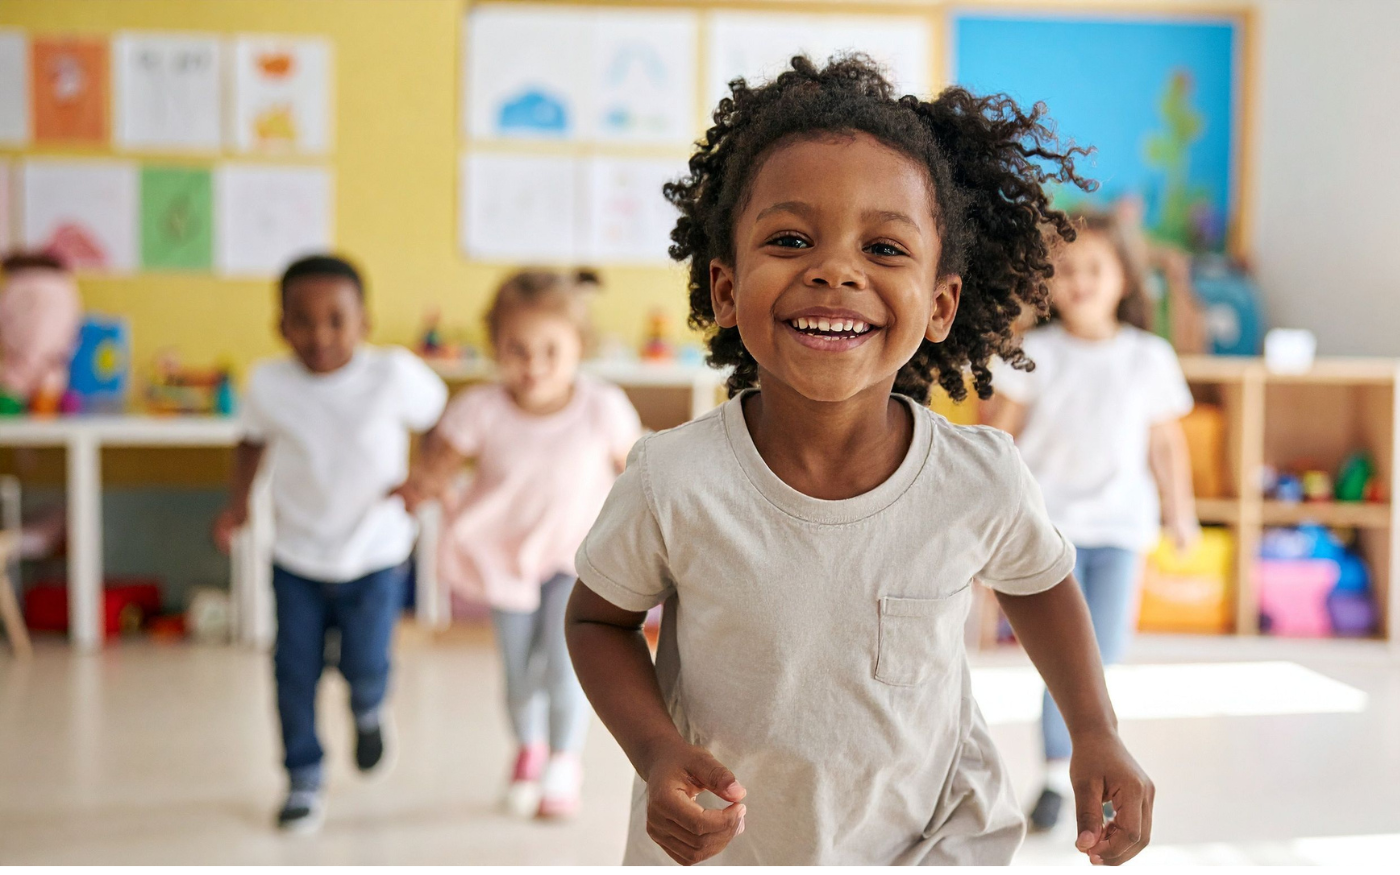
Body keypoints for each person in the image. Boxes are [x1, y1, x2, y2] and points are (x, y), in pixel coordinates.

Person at [564, 55, 1155, 866]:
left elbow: (1040, 582)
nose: (835, 269)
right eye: (790, 238)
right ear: (726, 288)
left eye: (883, 246)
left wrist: (1095, 729)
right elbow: (598, 618)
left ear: (941, 304)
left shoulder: (979, 475)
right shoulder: (674, 478)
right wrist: (656, 750)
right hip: (727, 848)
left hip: (934, 838)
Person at [213, 254, 447, 833]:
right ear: (281, 324)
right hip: (296, 558)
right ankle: (303, 777)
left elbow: (442, 422)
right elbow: (250, 442)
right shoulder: (268, 382)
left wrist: (428, 478)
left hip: (374, 556)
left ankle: (367, 708)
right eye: (302, 320)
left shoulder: (393, 373)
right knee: (293, 672)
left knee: (367, 664)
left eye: (336, 320)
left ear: (364, 321)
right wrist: (239, 504)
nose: (319, 334)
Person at [396, 269, 641, 820]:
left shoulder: (602, 406)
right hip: (504, 561)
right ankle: (528, 747)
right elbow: (438, 462)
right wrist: (419, 486)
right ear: (496, 347)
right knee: (517, 674)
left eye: (550, 351)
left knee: (564, 665)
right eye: (517, 350)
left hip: (578, 558)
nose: (532, 366)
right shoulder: (481, 408)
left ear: (580, 347)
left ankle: (563, 762)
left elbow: (636, 473)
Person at [988, 207, 1198, 833]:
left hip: (1122, 531)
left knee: (1104, 657)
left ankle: (1091, 759)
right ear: (1047, 283)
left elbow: (1166, 444)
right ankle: (1058, 775)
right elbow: (1000, 437)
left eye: (1095, 268)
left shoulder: (1148, 357)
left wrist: (1180, 512)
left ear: (1125, 279)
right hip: (1052, 535)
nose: (1080, 281)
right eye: (1066, 269)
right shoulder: (1034, 354)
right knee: (1067, 662)